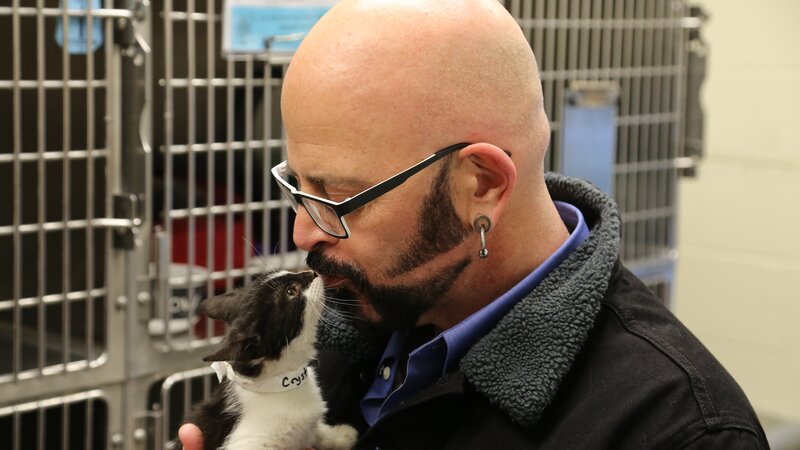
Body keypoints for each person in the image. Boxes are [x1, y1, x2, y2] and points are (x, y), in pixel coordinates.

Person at [180, 0, 769, 448]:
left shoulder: (676, 428)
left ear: (482, 184)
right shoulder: (354, 315)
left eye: (342, 196)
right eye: (297, 186)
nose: (303, 235)